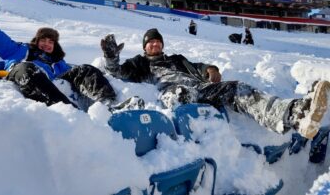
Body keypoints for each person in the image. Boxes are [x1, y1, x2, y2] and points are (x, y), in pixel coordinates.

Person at [100, 28, 330, 139]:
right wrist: (111, 58)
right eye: (151, 43)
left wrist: (211, 69)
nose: (155, 45)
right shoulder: (140, 63)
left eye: (158, 42)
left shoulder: (176, 59)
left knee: (235, 88)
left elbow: (199, 66)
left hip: (201, 89)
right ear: (144, 47)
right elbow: (119, 73)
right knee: (181, 93)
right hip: (172, 93)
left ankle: (296, 114)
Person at [0, 0, 116, 109]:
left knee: (85, 69)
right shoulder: (19, 50)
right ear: (36, 41)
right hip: (24, 74)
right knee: (27, 68)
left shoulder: (58, 62)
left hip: (53, 81)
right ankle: (71, 112)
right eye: (43, 40)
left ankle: (108, 104)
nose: (47, 44)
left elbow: (78, 75)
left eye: (51, 42)